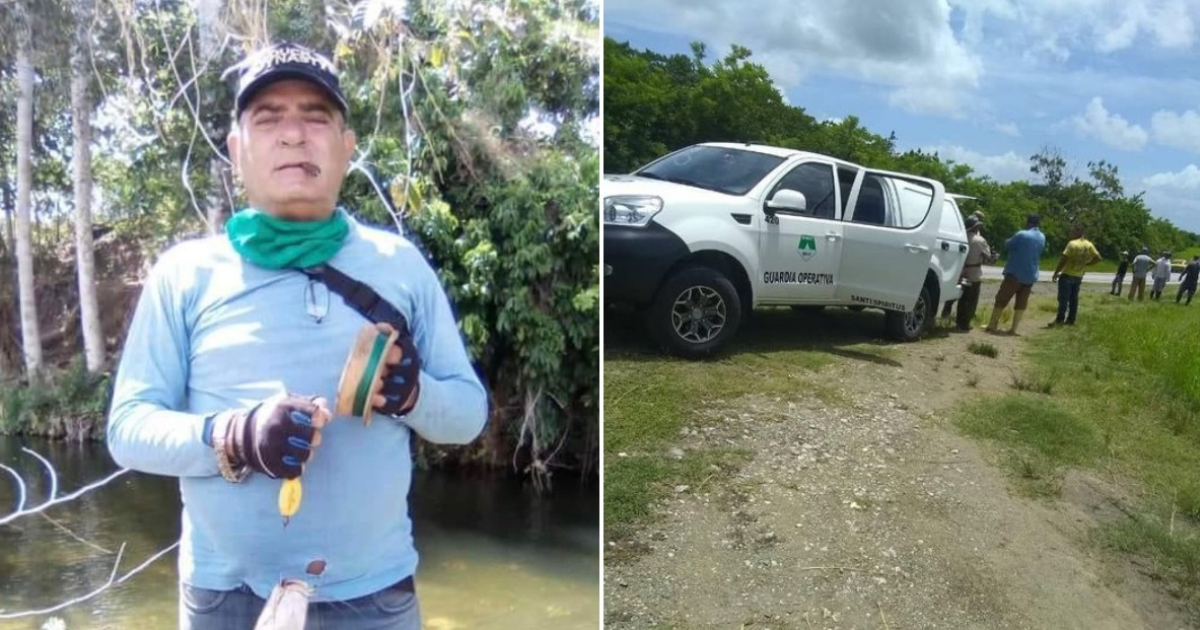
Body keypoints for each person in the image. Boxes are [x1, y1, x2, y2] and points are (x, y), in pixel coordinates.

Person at [105, 42, 488, 629]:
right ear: (237, 150)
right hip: (224, 597)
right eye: (268, 118)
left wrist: (414, 395)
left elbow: (466, 416)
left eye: (315, 116)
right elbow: (128, 430)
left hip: (374, 598)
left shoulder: (401, 265)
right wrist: (235, 436)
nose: (293, 135)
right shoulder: (185, 273)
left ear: (346, 147)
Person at [986, 214, 1045, 335]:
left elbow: (1008, 245)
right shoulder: (1042, 237)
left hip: (1015, 272)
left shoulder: (1021, 234)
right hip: (1031, 275)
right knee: (1021, 303)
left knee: (1001, 299)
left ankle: (992, 325)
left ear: (1028, 222)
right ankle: (1014, 329)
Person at [1049, 224, 1101, 326]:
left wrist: (1056, 272)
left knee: (1063, 299)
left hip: (1067, 274)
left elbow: (1063, 259)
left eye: (1072, 232)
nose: (1070, 233)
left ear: (1078, 232)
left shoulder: (1072, 244)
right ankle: (1071, 320)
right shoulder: (1089, 245)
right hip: (1078, 275)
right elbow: (1098, 258)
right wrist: (1087, 264)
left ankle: (1060, 320)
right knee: (1074, 299)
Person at [953, 215, 993, 331]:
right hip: (973, 272)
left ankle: (957, 321)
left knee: (961, 298)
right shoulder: (980, 240)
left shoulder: (960, 238)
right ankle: (965, 324)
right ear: (976, 227)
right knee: (971, 300)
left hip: (959, 272)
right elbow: (988, 258)